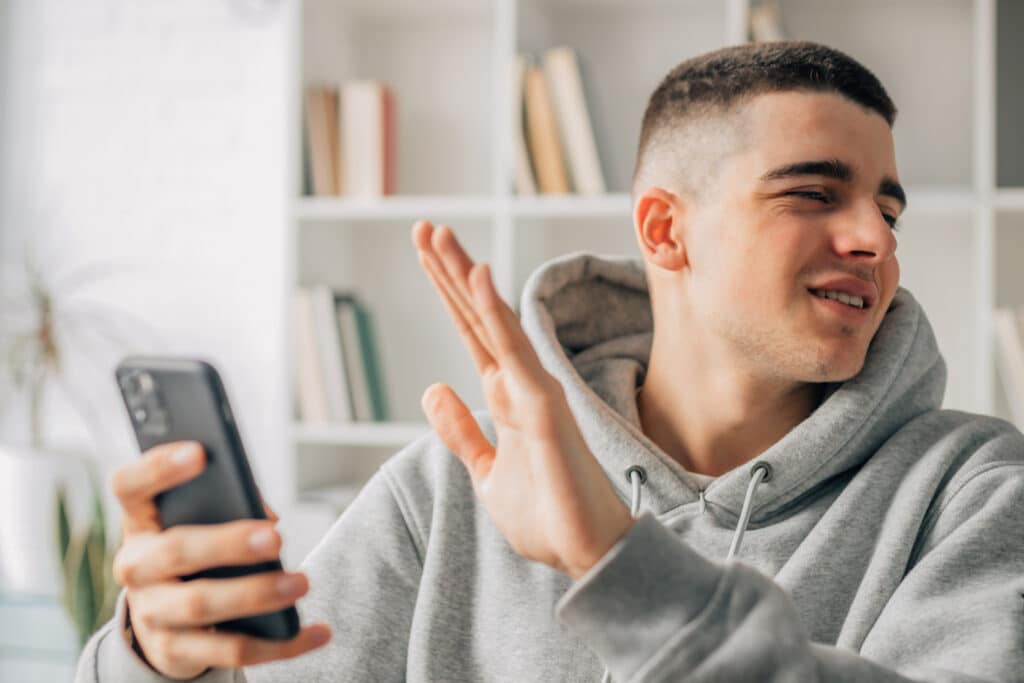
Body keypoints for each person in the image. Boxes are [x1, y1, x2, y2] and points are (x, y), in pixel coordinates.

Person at [76, 40, 1024, 683]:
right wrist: (157, 657)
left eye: (888, 212)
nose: (873, 240)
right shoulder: (456, 485)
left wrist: (614, 561)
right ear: (665, 230)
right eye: (815, 193)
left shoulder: (972, 490)